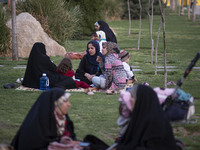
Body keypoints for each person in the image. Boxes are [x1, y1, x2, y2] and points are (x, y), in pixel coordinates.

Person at [11, 88, 82, 150]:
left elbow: (70, 136)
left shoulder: (63, 118)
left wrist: (69, 142)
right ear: (56, 104)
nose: (69, 104)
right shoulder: (38, 126)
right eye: (65, 101)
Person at [113, 84, 178, 150]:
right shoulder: (139, 117)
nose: (130, 99)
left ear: (141, 99)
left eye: (132, 97)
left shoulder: (156, 123)